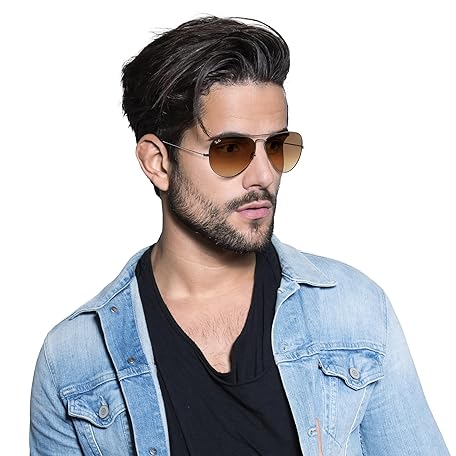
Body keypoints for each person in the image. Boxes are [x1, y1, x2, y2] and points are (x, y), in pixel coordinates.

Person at [30, 16, 449, 456]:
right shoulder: (75, 362)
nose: (264, 175)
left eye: (277, 146)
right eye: (230, 150)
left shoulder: (354, 311)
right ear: (158, 162)